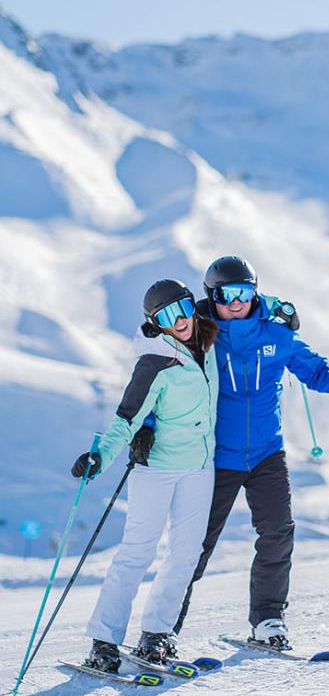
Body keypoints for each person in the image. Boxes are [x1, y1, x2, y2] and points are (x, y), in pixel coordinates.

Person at [173, 255, 329, 650]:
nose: (237, 302)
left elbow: (315, 370)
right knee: (195, 543)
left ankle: (268, 618)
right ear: (212, 296)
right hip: (215, 458)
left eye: (245, 292)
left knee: (278, 534)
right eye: (228, 294)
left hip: (267, 452)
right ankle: (165, 625)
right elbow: (163, 375)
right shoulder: (198, 337)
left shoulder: (276, 335)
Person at [70, 279, 219, 670]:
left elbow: (238, 297)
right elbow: (125, 419)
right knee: (137, 553)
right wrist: (99, 456)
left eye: (184, 308)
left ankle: (156, 635)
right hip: (157, 470)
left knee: (186, 554)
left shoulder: (207, 341)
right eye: (168, 316)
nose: (181, 320)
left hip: (200, 468)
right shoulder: (155, 362)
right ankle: (103, 641)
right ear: (155, 323)